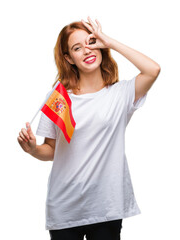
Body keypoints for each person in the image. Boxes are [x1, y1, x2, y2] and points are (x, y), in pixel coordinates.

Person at [17, 16, 161, 240]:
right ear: (69, 58)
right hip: (65, 209)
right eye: (77, 48)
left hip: (106, 207)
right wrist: (33, 149)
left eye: (91, 42)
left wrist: (109, 41)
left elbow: (153, 70)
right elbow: (51, 150)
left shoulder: (120, 94)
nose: (86, 50)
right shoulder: (59, 98)